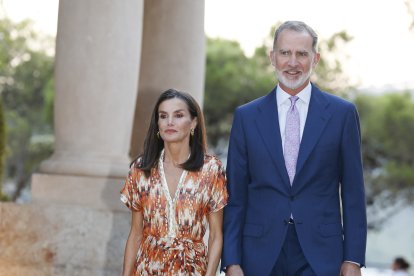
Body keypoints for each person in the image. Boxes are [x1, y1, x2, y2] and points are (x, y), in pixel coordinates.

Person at [221, 21, 367, 276]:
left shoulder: (342, 114)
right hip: (258, 253)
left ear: (316, 58)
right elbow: (235, 196)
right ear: (272, 57)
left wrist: (353, 259)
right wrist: (231, 261)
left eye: (302, 54)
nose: (292, 62)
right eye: (285, 53)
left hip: (321, 255)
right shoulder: (246, 117)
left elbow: (353, 192)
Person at [120, 88, 228, 275]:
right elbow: (136, 234)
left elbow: (216, 235)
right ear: (157, 124)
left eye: (178, 115)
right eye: (163, 116)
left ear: (193, 122)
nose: (169, 122)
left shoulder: (211, 169)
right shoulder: (140, 169)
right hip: (147, 269)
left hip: (192, 270)